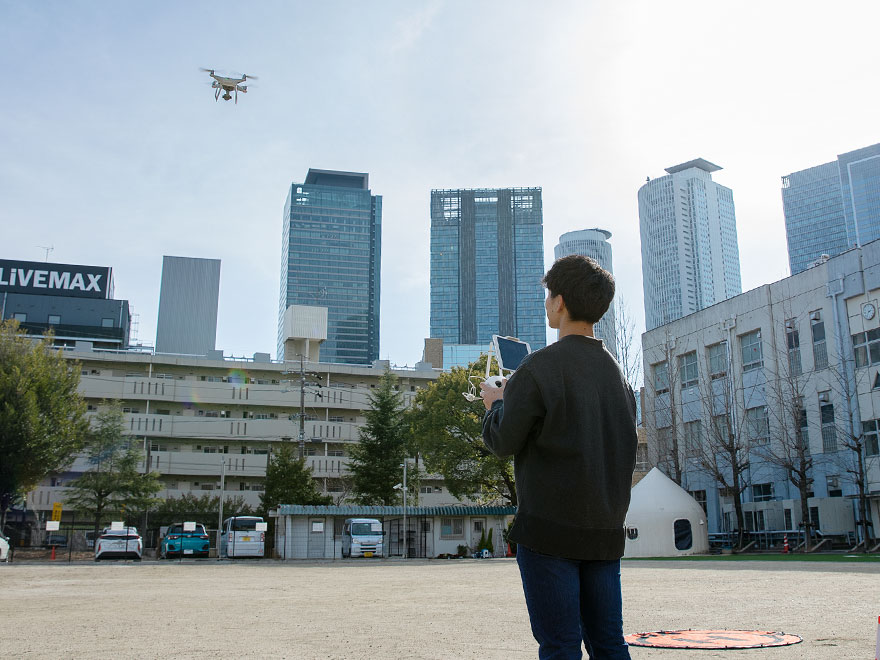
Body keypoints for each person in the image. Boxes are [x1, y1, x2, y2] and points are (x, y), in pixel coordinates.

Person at [481, 254, 637, 660]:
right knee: (608, 644)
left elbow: (502, 441)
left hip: (549, 532)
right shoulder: (618, 376)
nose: (547, 303)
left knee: (560, 646)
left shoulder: (537, 369)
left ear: (560, 302)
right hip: (604, 532)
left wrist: (495, 403)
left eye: (549, 296)